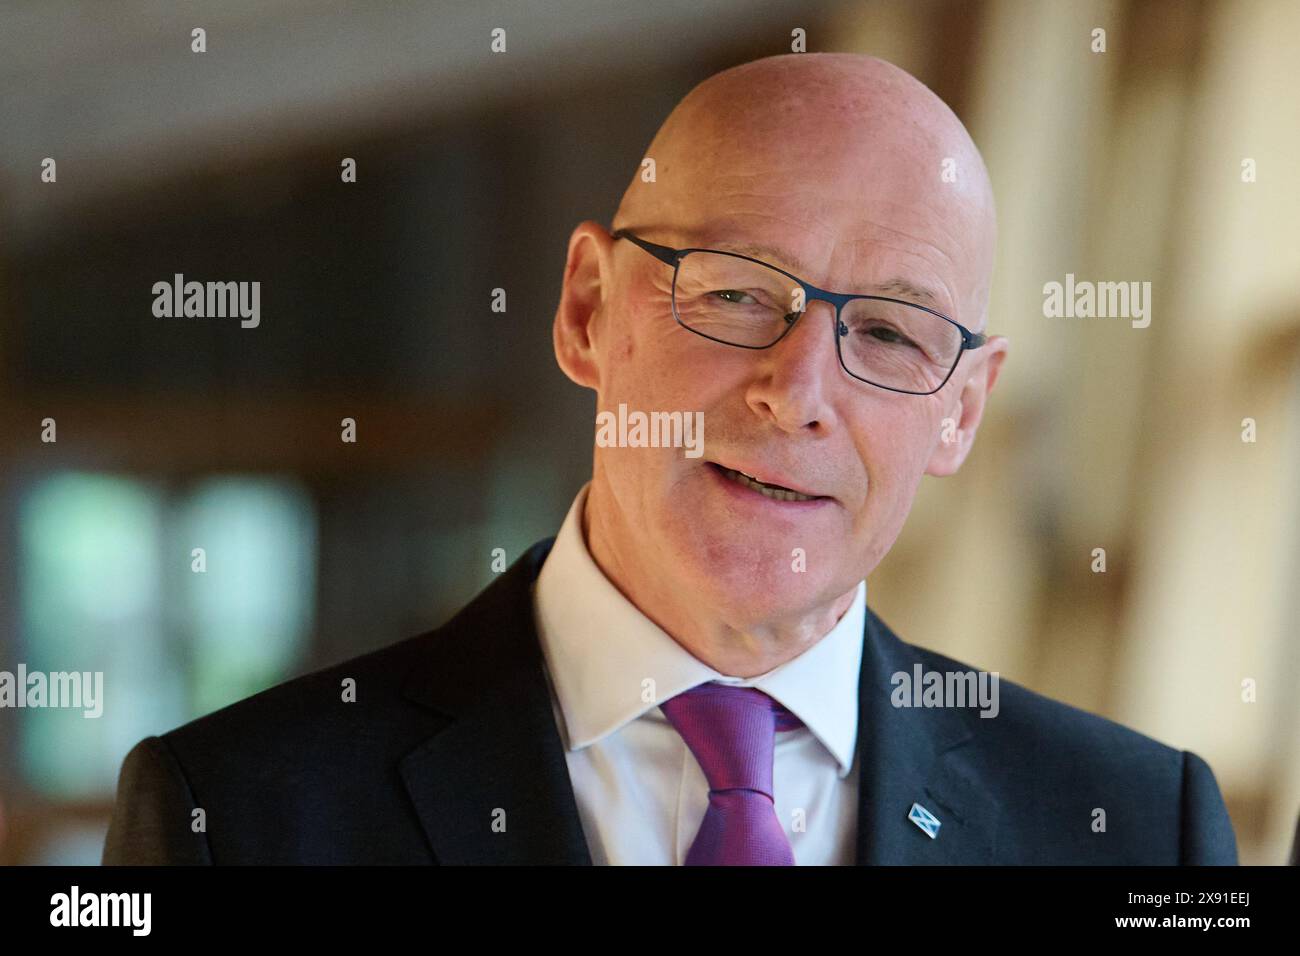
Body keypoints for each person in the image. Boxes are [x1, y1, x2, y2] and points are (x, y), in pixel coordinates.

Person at [103, 52, 1237, 865]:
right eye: (737, 293)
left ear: (960, 411)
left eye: (888, 332)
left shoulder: (1140, 826)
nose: (796, 392)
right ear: (589, 309)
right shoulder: (235, 814)